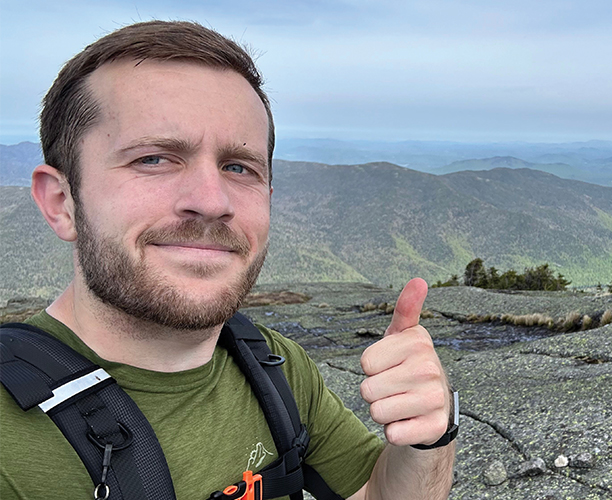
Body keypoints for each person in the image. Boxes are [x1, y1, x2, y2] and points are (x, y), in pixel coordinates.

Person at [0, 20, 455, 499]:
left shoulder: (274, 366)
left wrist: (429, 435)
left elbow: (378, 494)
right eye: (154, 158)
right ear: (60, 202)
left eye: (239, 167)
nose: (212, 200)